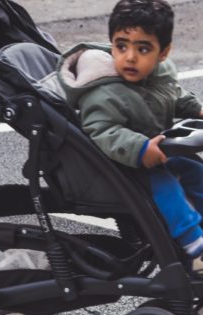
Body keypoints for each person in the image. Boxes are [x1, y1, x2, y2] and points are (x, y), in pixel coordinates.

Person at [58, 0, 203, 269]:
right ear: (111, 43)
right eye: (121, 46)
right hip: (121, 166)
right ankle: (194, 243)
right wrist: (139, 147)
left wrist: (196, 109)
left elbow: (171, 94)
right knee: (165, 185)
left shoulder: (157, 75)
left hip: (156, 153)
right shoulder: (104, 92)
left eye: (143, 48)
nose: (130, 57)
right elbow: (103, 131)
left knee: (195, 170)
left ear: (163, 53)